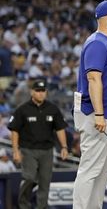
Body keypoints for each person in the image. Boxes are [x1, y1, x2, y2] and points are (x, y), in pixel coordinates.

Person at [72, 0, 107, 209]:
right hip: (96, 116)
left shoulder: (105, 43)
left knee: (102, 170)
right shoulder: (97, 42)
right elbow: (93, 79)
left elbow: (106, 82)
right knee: (90, 170)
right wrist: (99, 114)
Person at [8, 79, 69, 209]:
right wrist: (15, 151)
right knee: (29, 178)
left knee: (44, 182)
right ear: (32, 92)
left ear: (46, 92)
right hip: (28, 149)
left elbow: (60, 128)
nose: (41, 93)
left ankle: (42, 207)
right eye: (38, 91)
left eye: (43, 91)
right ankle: (24, 205)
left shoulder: (52, 109)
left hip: (47, 150)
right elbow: (14, 130)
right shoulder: (22, 109)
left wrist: (64, 147)